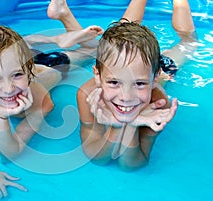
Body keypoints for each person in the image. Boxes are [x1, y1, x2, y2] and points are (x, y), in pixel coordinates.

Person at [0, 2, 103, 200]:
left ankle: (64, 21)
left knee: (95, 52)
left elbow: (9, 154)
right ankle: (57, 35)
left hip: (53, 65)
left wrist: (0, 116)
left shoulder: (41, 101)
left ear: (27, 72)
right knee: (15, 49)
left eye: (17, 75)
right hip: (18, 61)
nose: (8, 89)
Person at [77, 0, 197, 171]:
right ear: (97, 75)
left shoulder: (158, 102)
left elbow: (131, 165)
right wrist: (118, 127)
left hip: (162, 65)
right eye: (113, 82)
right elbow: (97, 158)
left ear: (154, 79)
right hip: (134, 64)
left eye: (140, 84)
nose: (126, 97)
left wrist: (130, 125)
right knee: (122, 31)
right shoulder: (86, 95)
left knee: (189, 42)